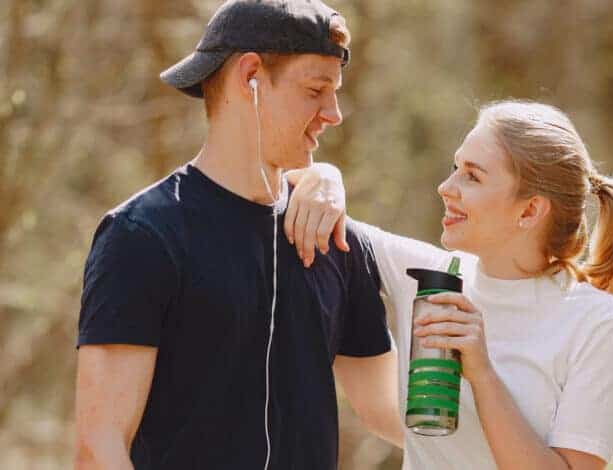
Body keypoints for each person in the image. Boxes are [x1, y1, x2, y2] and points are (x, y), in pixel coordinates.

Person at [73, 1, 402, 469]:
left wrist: (477, 373)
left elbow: (391, 412)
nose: (334, 113)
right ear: (250, 75)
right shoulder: (143, 236)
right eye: (315, 90)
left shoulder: (330, 236)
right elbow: (99, 445)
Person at [286, 100, 613, 469]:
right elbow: (327, 217)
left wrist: (481, 371)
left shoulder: (599, 323)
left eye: (472, 176)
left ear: (530, 211)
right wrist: (327, 177)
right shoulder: (426, 278)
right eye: (454, 168)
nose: (446, 187)